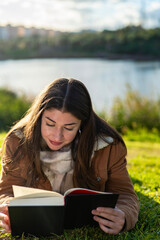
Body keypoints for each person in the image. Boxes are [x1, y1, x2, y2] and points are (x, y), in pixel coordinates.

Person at [0, 78, 139, 235]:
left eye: (69, 127)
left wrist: (123, 215)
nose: (57, 136)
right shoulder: (17, 141)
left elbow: (125, 194)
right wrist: (7, 209)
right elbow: (6, 189)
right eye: (50, 124)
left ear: (82, 124)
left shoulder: (109, 147)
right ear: (39, 117)